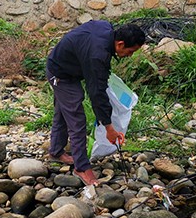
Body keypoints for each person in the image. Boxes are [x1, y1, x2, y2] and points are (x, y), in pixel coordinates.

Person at [46, 20, 146, 186]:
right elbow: (96, 93)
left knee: (63, 110)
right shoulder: (97, 55)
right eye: (130, 51)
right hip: (60, 74)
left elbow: (100, 81)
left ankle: (56, 151)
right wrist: (108, 127)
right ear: (120, 44)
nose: (130, 55)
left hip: (69, 67)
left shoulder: (106, 28)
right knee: (77, 119)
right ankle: (82, 167)